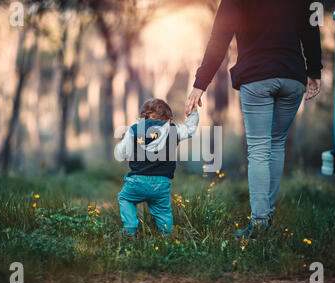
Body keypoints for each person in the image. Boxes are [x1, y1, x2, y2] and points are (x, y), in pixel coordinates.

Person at [185, 0, 323, 239]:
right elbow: (311, 28)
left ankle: (259, 223)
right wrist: (314, 72)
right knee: (276, 143)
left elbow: (219, 38)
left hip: (257, 76)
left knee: (259, 148)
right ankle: (266, 217)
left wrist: (200, 84)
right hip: (292, 77)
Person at [115, 98, 199, 236]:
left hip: (137, 181)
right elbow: (190, 129)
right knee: (163, 211)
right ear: (167, 119)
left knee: (125, 198)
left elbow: (121, 152)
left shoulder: (134, 130)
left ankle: (129, 227)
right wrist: (193, 112)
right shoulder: (173, 129)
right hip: (162, 183)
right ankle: (168, 235)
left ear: (144, 116)